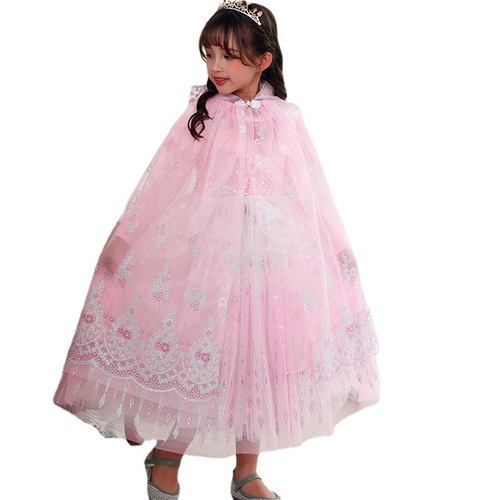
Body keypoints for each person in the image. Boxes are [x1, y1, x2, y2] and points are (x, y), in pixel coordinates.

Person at [53, 1, 380, 499]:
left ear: (263, 60)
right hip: (210, 253)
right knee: (206, 355)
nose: (216, 67)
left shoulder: (286, 118)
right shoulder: (203, 114)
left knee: (262, 359)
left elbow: (311, 188)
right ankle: (167, 454)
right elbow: (164, 177)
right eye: (209, 55)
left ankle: (246, 471)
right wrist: (123, 238)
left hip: (274, 255)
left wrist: (338, 247)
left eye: (228, 56)